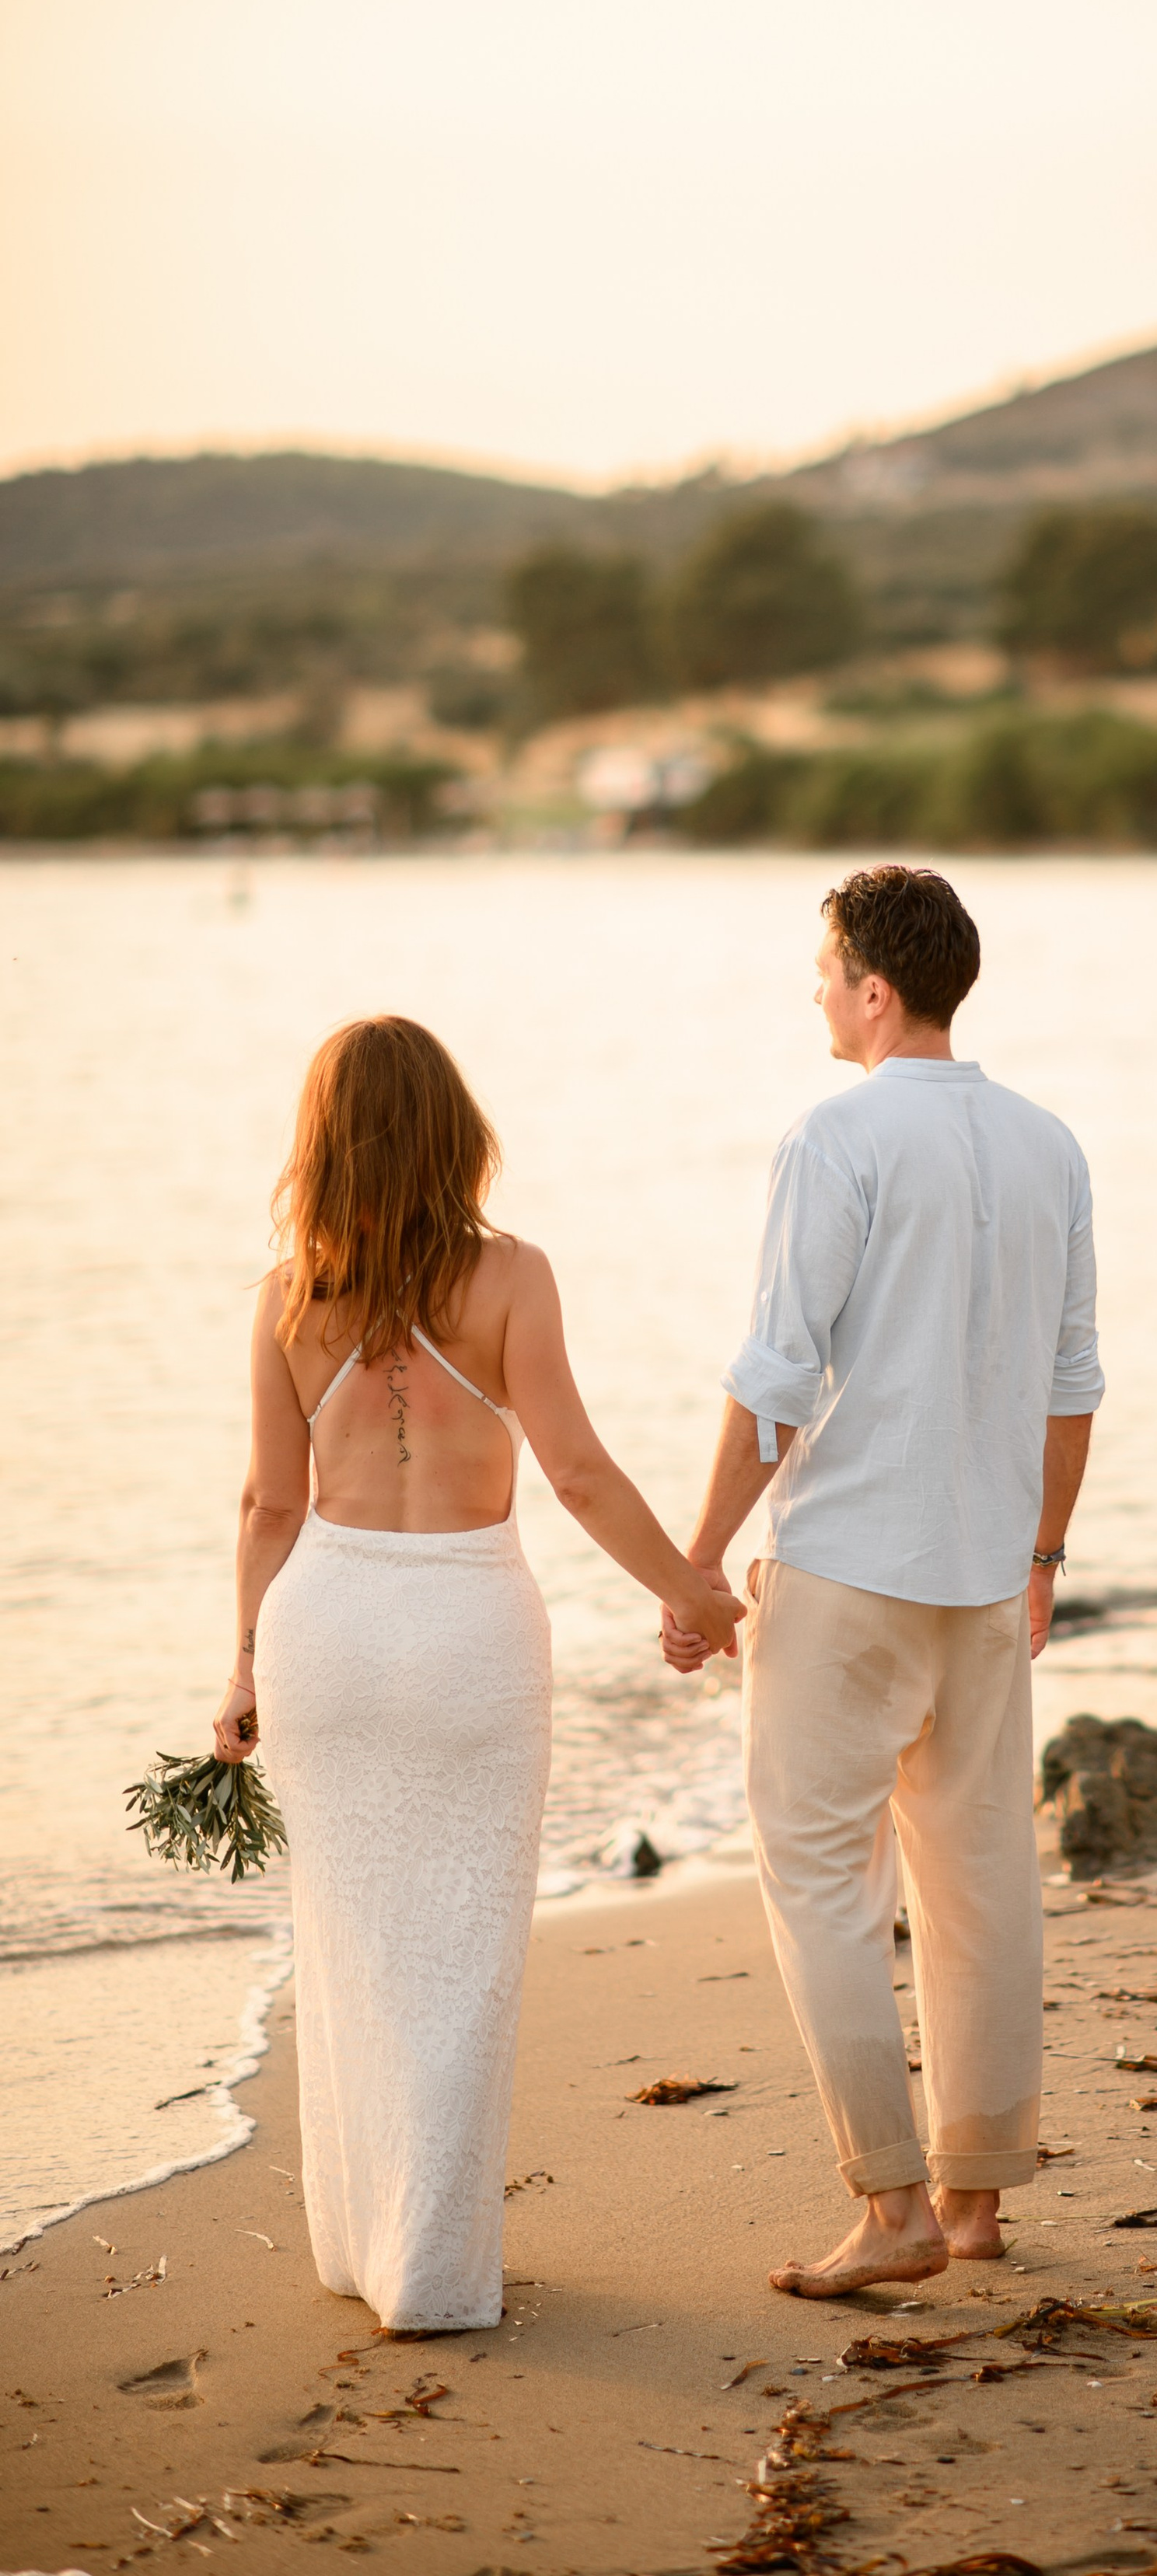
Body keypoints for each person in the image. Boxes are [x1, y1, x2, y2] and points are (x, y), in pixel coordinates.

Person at [212, 1016, 742, 2335]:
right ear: (456, 1129)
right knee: (460, 1959)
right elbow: (572, 1471)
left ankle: (363, 2246)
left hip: (324, 1629)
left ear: (322, 1143)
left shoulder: (286, 1294)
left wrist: (239, 1663)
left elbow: (270, 1507)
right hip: (468, 1635)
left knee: (350, 1948)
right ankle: (431, 2270)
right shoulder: (513, 1277)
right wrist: (688, 1590)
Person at [665, 865, 1103, 2298]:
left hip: (847, 1565)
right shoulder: (1050, 1145)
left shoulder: (834, 1137)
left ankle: (895, 2207)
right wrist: (1043, 1557)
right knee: (982, 1887)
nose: (812, 992)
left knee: (820, 1886)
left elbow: (777, 1380)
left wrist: (697, 1558)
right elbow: (1071, 1387)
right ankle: (976, 2203)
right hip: (983, 1577)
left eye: (823, 969)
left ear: (874, 987)